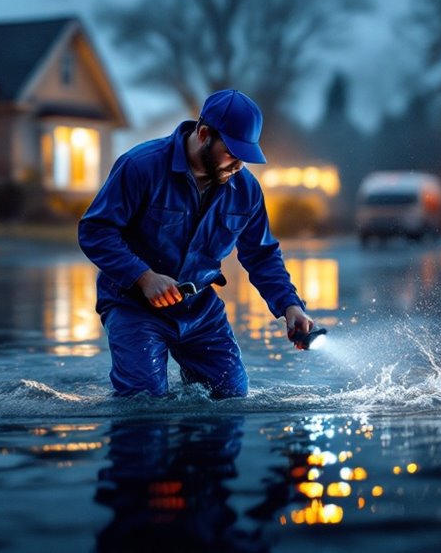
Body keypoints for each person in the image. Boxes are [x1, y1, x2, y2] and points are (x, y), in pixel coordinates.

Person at [78, 88, 315, 399]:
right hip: (132, 305)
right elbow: (95, 230)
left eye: (246, 157)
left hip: (200, 310)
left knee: (231, 397)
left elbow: (262, 255)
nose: (239, 166)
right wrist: (143, 277)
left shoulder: (246, 191)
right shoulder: (140, 166)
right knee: (144, 402)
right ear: (204, 134)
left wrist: (290, 305)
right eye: (232, 152)